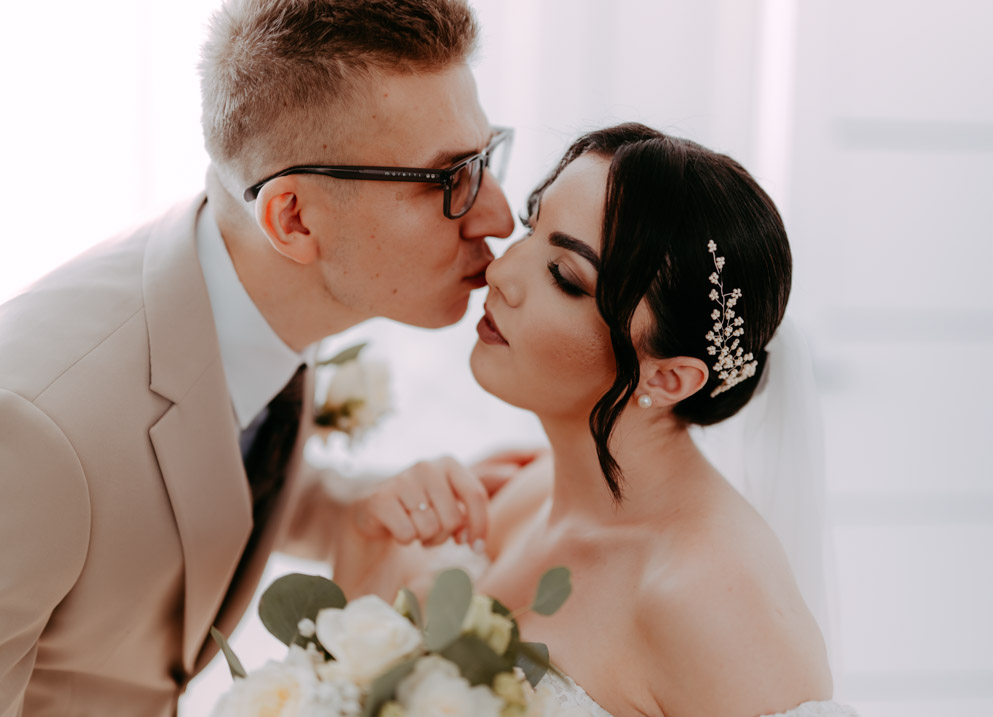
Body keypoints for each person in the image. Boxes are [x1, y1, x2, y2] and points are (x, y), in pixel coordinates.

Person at [0, 1, 517, 715]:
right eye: (449, 179)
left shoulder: (257, 281)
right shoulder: (34, 433)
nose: (499, 215)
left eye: (484, 159)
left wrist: (355, 506)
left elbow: (196, 467)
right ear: (293, 218)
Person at [333, 124, 860, 716]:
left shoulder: (712, 600)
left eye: (565, 277)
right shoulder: (523, 490)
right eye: (531, 227)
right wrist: (366, 539)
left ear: (667, 378)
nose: (501, 273)